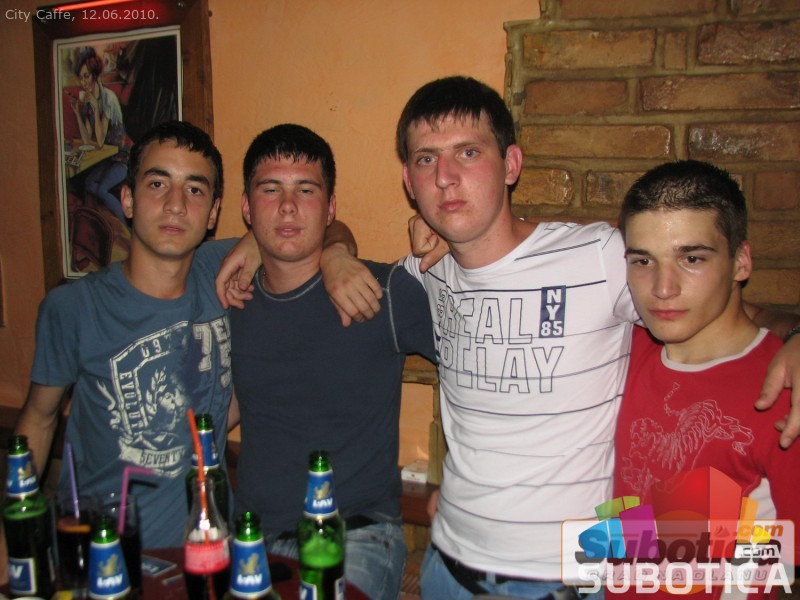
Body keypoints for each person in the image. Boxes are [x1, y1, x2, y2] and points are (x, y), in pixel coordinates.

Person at [218, 77, 800, 599]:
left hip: (565, 578)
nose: (446, 176)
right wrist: (328, 249)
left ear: (510, 164)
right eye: (427, 159)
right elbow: (310, 237)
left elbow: (706, 301)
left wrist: (796, 336)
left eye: (469, 153)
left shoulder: (598, 256)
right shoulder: (421, 277)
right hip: (446, 569)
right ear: (409, 182)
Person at [12, 120, 361, 552]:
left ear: (213, 212)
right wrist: (12, 544)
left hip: (210, 549)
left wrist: (335, 254)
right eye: (158, 184)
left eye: (195, 189)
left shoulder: (221, 271)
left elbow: (320, 227)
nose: (176, 205)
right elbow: (40, 419)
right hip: (105, 549)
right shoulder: (73, 308)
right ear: (127, 198)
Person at [228, 123, 436, 600]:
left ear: (331, 207)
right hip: (252, 536)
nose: (287, 206)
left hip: (356, 533)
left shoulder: (381, 292)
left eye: (306, 190)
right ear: (246, 207)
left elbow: (480, 359)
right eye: (270, 190)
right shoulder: (230, 297)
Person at [612, 160, 800, 598]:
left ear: (740, 261)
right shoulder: (623, 349)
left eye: (692, 258)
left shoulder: (783, 390)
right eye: (643, 260)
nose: (663, 288)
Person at [68, 46, 133, 225]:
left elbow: (101, 138)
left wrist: (96, 108)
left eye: (86, 76)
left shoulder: (108, 98)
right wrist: (77, 112)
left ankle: (128, 226)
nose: (83, 82)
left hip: (123, 156)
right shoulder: (89, 102)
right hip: (108, 157)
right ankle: (100, 222)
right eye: (81, 77)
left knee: (102, 190)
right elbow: (88, 139)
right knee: (89, 184)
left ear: (95, 76)